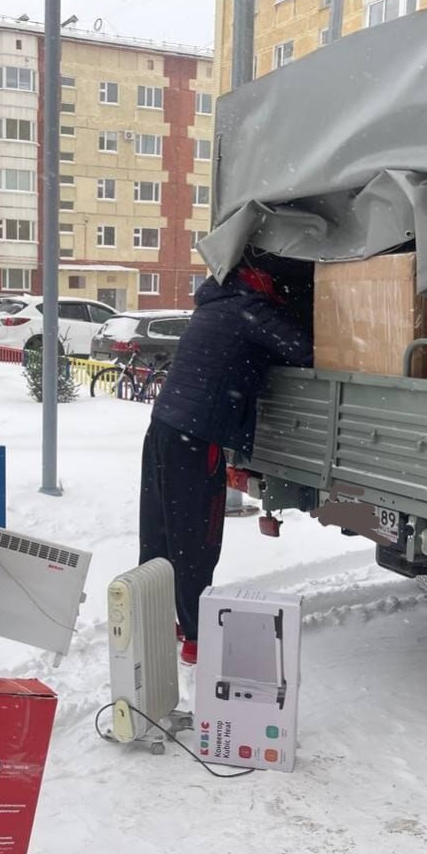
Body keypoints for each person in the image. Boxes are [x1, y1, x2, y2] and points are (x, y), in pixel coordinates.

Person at [139, 253, 314, 665]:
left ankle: (157, 619)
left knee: (161, 529)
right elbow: (305, 351)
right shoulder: (250, 310)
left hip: (163, 427)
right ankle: (197, 639)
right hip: (198, 437)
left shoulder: (216, 303)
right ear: (266, 282)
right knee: (196, 536)